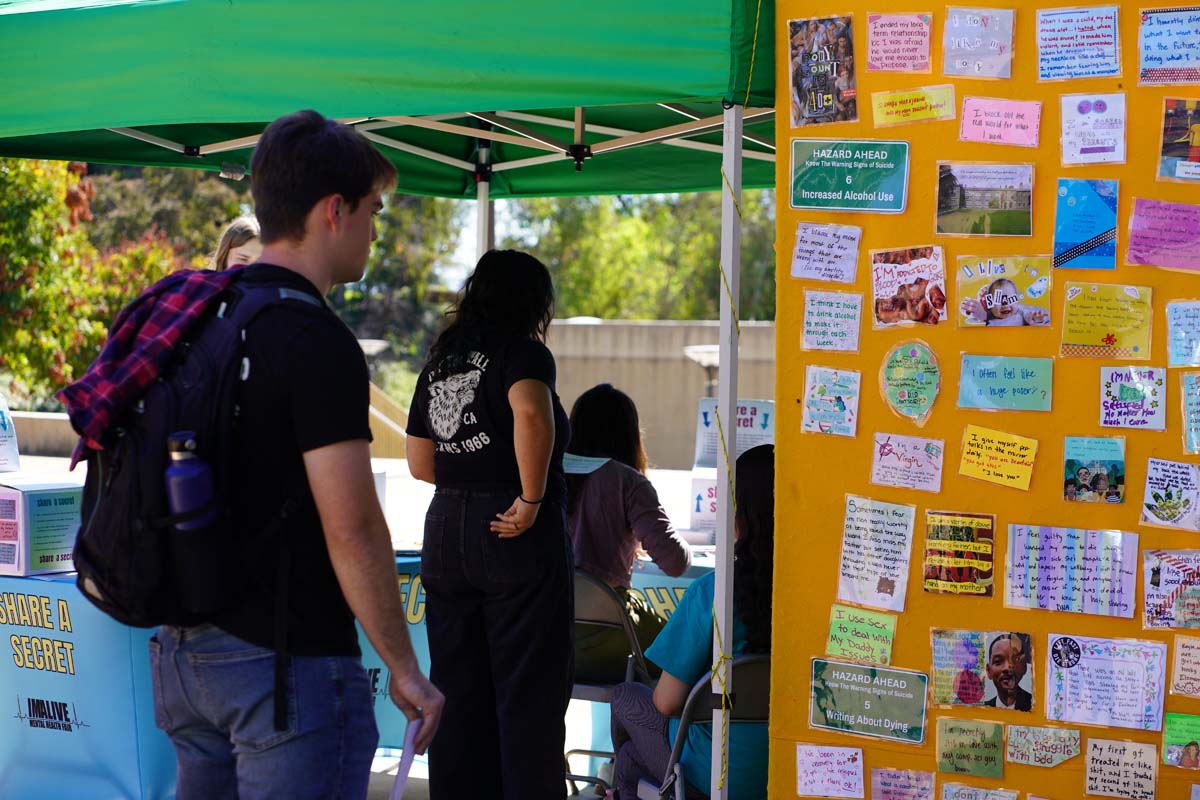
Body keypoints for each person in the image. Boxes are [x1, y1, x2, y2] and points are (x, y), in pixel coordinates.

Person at [146, 110, 443, 800]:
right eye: (374, 209)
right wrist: (405, 670)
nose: (377, 227)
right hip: (282, 670)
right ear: (333, 211)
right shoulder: (313, 338)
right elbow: (354, 529)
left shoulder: (194, 318)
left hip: (183, 656)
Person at [405, 249, 573, 799]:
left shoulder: (441, 359)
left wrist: (465, 483)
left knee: (456, 692)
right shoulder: (522, 353)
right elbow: (530, 412)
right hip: (512, 527)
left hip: (447, 524)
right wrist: (530, 498)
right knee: (527, 695)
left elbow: (419, 461)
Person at [608, 445, 774, 800]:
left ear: (739, 512)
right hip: (793, 767)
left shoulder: (713, 591)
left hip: (713, 772)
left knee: (625, 701)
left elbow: (666, 703)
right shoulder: (815, 599)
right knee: (631, 759)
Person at [566, 383, 691, 683]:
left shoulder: (543, 475)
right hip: (613, 640)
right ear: (629, 436)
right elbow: (676, 563)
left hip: (546, 641)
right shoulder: (628, 482)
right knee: (688, 657)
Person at [960, 278, 1048, 326]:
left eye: (1010, 298)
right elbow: (978, 317)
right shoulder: (991, 317)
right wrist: (983, 315)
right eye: (998, 300)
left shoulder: (1020, 311)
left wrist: (1034, 318)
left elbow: (1027, 312)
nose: (1005, 304)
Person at [983, 633, 1032, 711]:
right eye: (998, 661)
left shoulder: (1035, 707)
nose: (1007, 668)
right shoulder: (983, 709)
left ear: (1024, 667)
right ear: (989, 671)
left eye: (1016, 660)